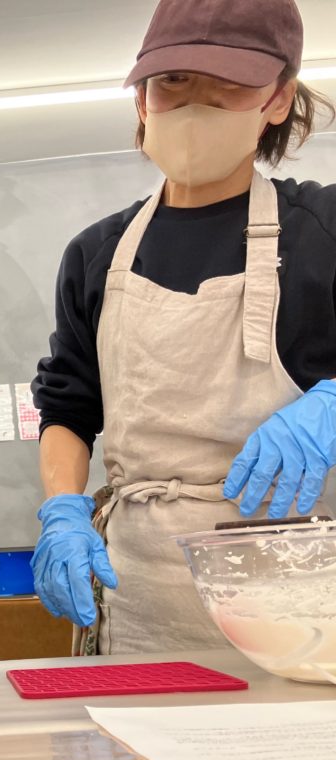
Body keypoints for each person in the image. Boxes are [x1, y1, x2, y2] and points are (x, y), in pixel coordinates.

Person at [31, 0, 336, 654]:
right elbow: (68, 408)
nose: (197, 104)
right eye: (173, 81)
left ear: (279, 99)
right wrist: (63, 510)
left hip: (306, 605)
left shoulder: (325, 229)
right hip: (144, 599)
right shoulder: (97, 254)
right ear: (141, 99)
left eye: (229, 83)